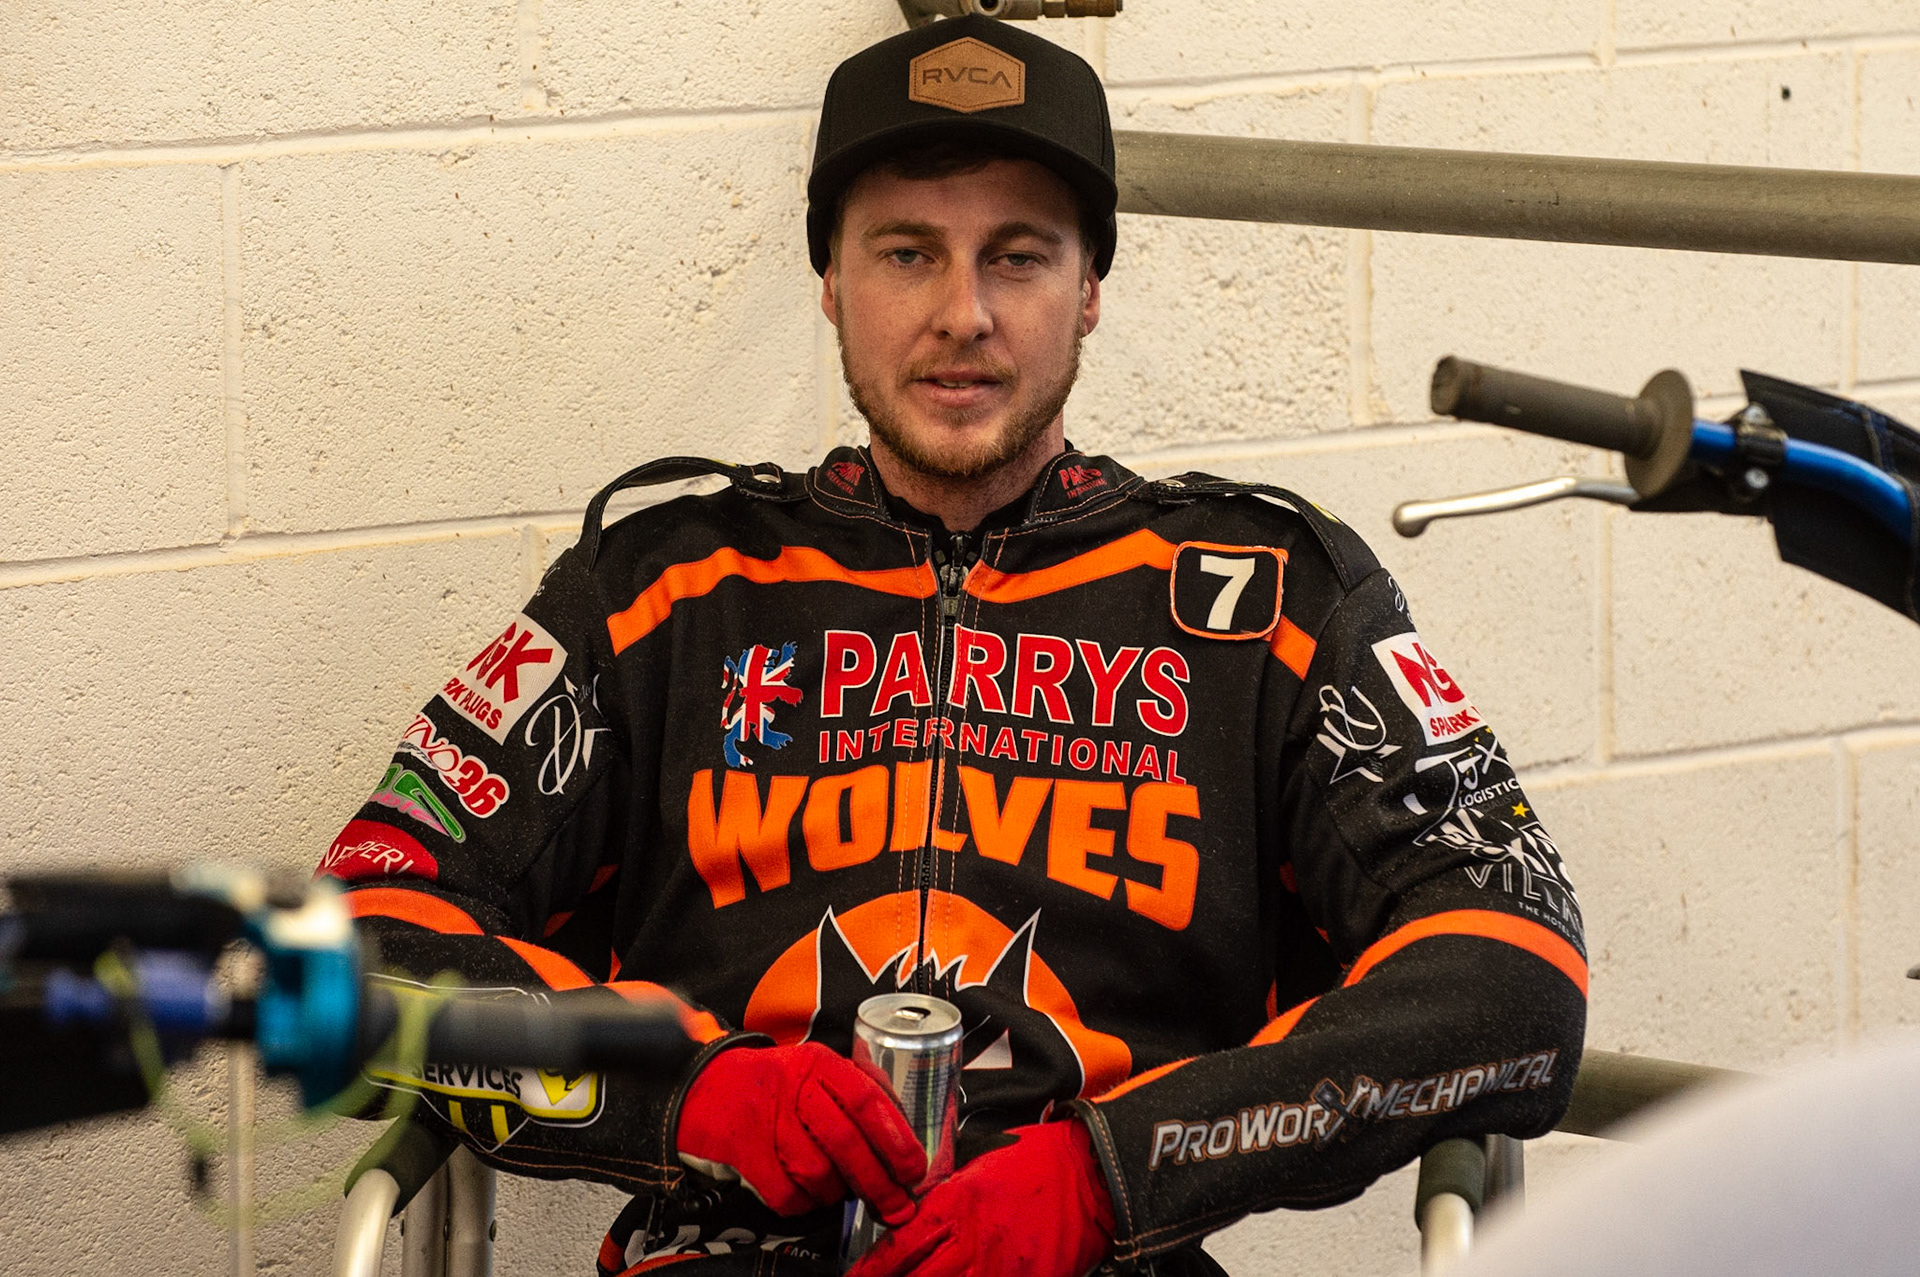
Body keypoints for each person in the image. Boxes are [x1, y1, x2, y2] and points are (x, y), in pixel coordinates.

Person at [320, 15, 1587, 1276]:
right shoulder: (664, 590)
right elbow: (359, 930)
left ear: (1091, 287)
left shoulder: (1269, 602)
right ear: (831, 281)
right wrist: (690, 1095)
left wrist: (1113, 1172)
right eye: (907, 253)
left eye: (1018, 257)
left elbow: (1515, 974)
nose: (962, 313)